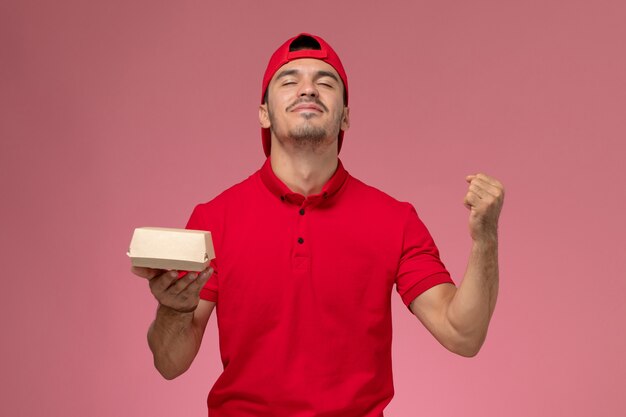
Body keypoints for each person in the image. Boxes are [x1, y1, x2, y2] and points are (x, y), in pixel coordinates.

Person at [133, 33, 505, 417]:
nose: (308, 89)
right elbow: (170, 363)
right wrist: (173, 310)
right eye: (289, 81)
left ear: (345, 115)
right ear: (264, 112)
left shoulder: (395, 220)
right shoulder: (213, 220)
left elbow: (463, 334)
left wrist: (485, 241)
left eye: (325, 83)